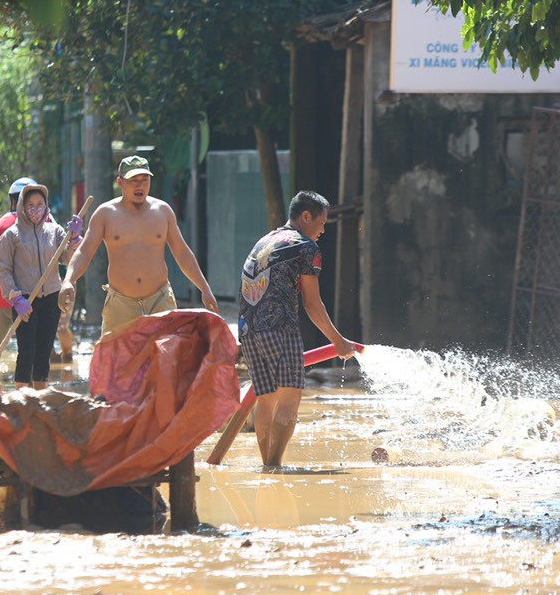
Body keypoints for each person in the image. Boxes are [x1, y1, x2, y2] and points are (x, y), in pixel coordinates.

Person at [239, 191, 355, 469]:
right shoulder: (306, 247)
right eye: (322, 223)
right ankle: (275, 466)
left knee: (266, 399)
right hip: (280, 328)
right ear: (306, 216)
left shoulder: (266, 240)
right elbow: (313, 306)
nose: (323, 230)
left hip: (247, 330)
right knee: (290, 398)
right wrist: (338, 341)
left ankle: (267, 465)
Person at [59, 155, 217, 336]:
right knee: (117, 362)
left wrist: (205, 289)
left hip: (160, 300)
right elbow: (85, 252)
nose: (140, 185)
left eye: (144, 180)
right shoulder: (105, 214)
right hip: (120, 304)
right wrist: (68, 280)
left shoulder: (163, 211)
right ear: (120, 182)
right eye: (133, 180)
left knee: (165, 360)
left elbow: (182, 253)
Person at [0, 182, 83, 388]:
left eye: (40, 204)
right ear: (22, 207)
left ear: (46, 206)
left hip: (51, 297)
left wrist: (75, 239)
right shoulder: (11, 235)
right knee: (26, 351)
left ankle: (39, 397)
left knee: (44, 351)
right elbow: (3, 268)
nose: (35, 209)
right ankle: (21, 399)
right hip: (25, 300)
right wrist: (15, 297)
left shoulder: (55, 231)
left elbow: (68, 258)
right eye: (31, 204)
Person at [0, 177, 37, 351]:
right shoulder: (43, 224)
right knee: (31, 354)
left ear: (12, 200)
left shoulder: (0, 225)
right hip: (31, 301)